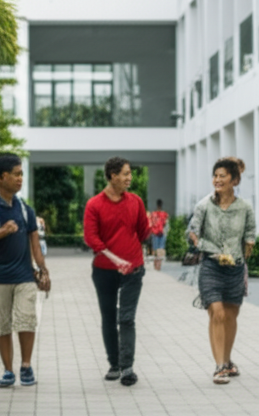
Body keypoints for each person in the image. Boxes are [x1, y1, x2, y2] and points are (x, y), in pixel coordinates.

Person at [0, 153, 50, 388]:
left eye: (21, 174)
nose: (20, 179)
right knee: (3, 325)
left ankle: (26, 366)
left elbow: (35, 244)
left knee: (27, 320)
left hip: (25, 276)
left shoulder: (26, 210)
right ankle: (8, 371)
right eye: (16, 174)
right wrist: (2, 232)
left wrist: (43, 271)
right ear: (1, 178)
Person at [83, 156, 151, 386]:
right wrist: (115, 258)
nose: (130, 177)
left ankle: (127, 368)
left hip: (133, 269)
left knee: (127, 318)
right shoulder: (94, 204)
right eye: (125, 173)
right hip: (104, 271)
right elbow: (91, 238)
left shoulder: (136, 202)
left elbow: (142, 232)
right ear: (113, 176)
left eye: (130, 173)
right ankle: (114, 364)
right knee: (109, 317)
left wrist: (146, 232)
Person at [188, 159, 256, 385]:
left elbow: (250, 234)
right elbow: (193, 233)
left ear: (234, 180)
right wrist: (207, 248)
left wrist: (244, 252)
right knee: (217, 313)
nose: (217, 180)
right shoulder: (204, 205)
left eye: (222, 176)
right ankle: (219, 366)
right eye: (215, 175)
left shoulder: (245, 207)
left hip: (235, 268)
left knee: (231, 316)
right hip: (211, 266)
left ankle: (227, 361)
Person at [149, 199, 169, 271]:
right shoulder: (164, 214)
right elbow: (166, 223)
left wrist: (151, 231)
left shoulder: (153, 214)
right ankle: (158, 266)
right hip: (161, 233)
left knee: (155, 250)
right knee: (160, 250)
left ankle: (155, 266)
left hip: (155, 233)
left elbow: (150, 223)